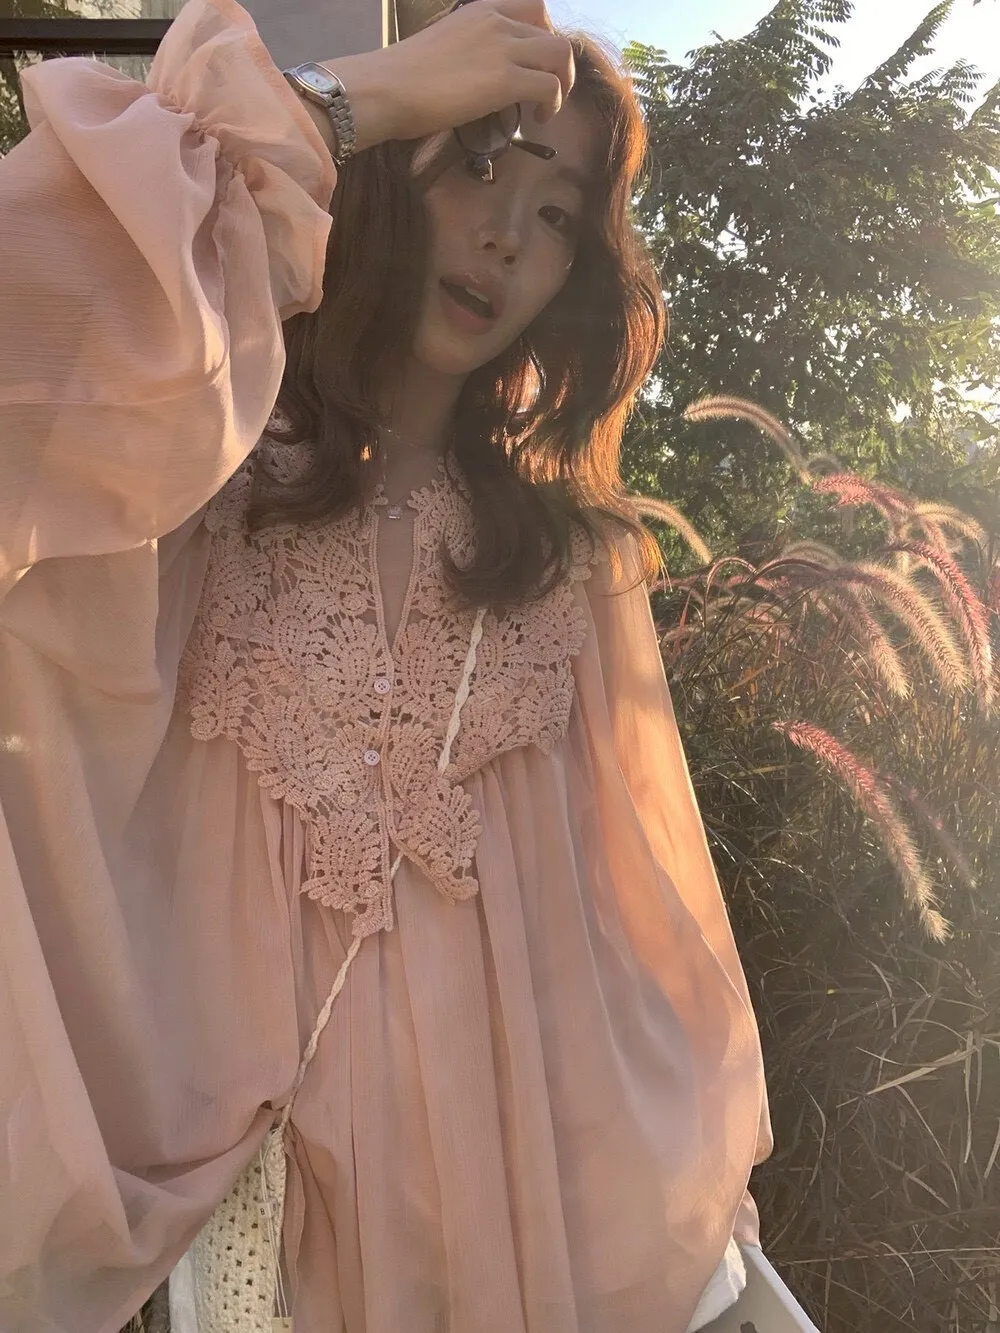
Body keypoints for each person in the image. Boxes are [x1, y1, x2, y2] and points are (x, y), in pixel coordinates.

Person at [0, 0, 773, 1328]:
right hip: (235, 1206)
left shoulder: (570, 563)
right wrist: (346, 104)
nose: (506, 236)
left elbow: (632, 922)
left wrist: (677, 1189)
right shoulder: (198, 486)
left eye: (557, 216)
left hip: (494, 1217)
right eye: (478, 166)